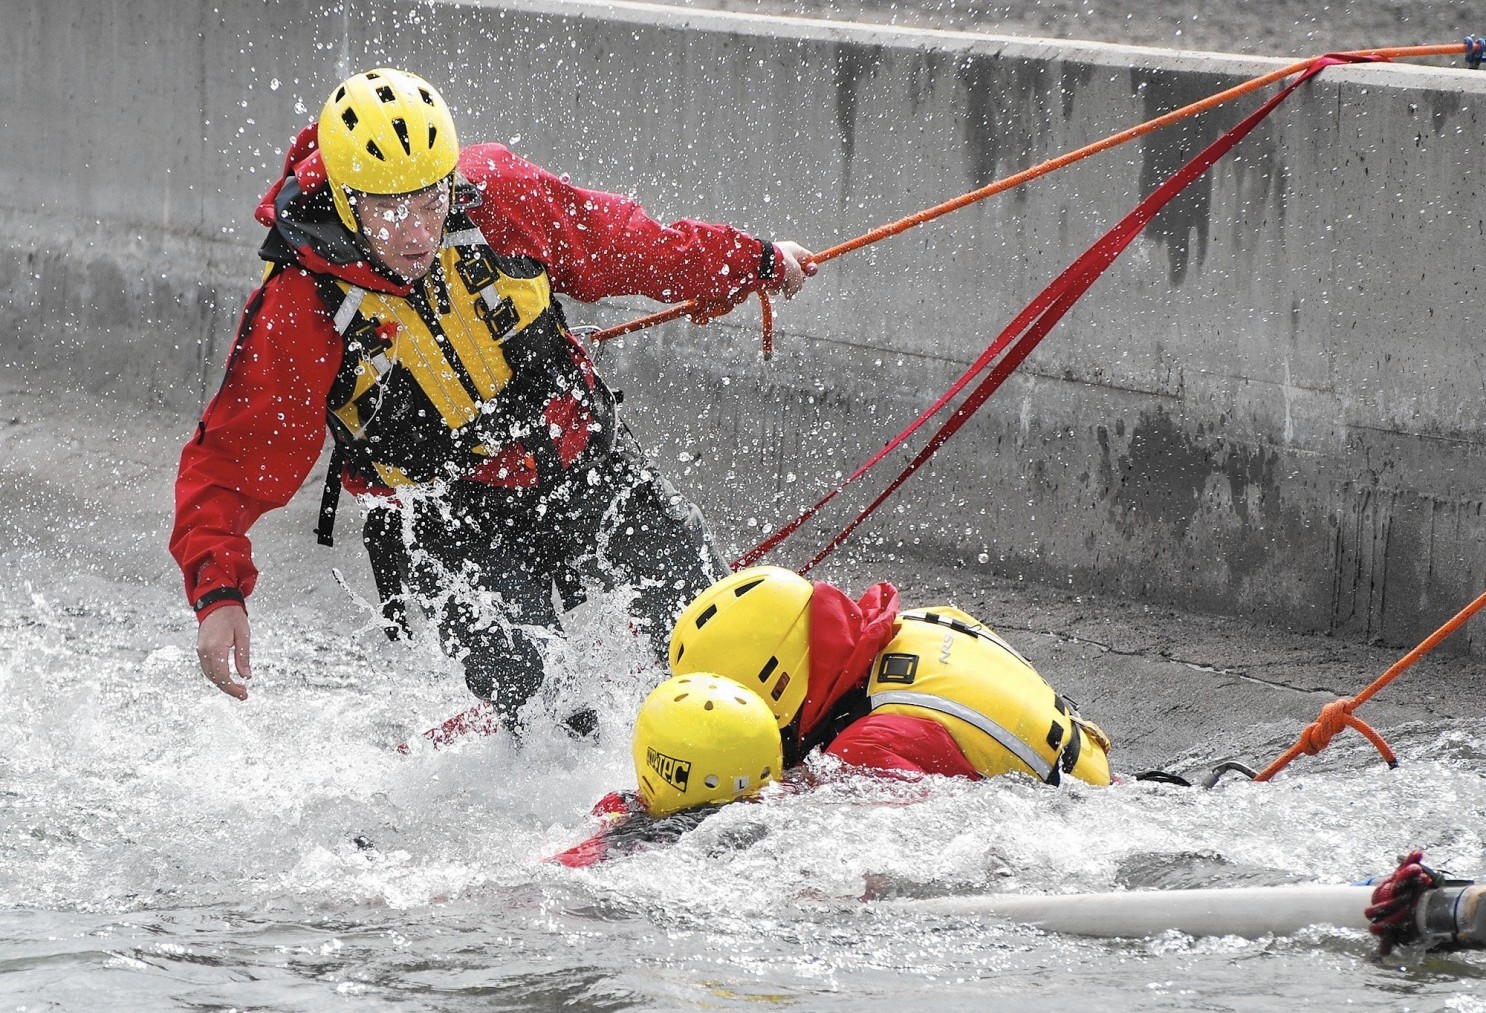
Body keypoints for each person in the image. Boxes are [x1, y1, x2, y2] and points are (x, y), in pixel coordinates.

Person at [170, 68, 816, 727]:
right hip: (449, 523)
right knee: (533, 684)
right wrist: (218, 593)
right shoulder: (299, 308)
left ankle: (747, 730)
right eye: (391, 211)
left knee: (697, 602)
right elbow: (228, 462)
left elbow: (629, 244)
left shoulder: (500, 198)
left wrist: (754, 260)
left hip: (579, 458)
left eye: (430, 201)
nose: (418, 234)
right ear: (344, 199)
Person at [551, 565, 1113, 866]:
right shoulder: (921, 624)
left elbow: (833, 849)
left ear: (772, 685)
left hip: (1089, 830)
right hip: (1097, 775)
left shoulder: (867, 745)